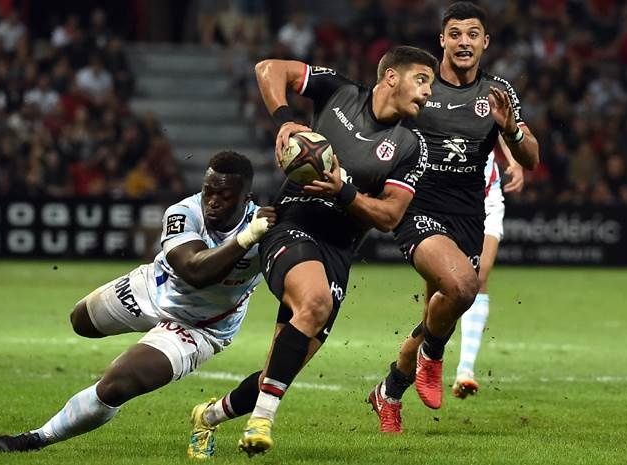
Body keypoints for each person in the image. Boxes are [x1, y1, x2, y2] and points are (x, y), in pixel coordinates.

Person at [186, 45, 439, 458]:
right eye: (422, 80)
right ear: (392, 77)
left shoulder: (411, 146)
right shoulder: (340, 93)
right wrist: (285, 120)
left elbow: (390, 216)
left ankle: (207, 416)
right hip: (292, 224)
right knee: (315, 302)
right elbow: (269, 68)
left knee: (279, 369)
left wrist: (344, 191)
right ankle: (261, 423)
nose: (428, 92)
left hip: (338, 250)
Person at [0, 151, 276, 452]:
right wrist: (246, 239)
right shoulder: (184, 212)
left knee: (117, 385)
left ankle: (36, 438)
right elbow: (195, 272)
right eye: (208, 191)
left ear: (246, 198)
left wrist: (257, 236)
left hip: (201, 325)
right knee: (80, 320)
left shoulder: (266, 229)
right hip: (153, 288)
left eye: (224, 195)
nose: (212, 201)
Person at [367, 1, 540, 433]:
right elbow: (377, 122)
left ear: (486, 42)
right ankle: (433, 356)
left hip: (468, 215)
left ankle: (389, 392)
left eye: (473, 34)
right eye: (456, 33)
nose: (464, 42)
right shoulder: (420, 84)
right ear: (442, 39)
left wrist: (511, 130)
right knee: (463, 286)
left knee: (443, 309)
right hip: (417, 205)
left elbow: (532, 156)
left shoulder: (496, 91)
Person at [452, 140, 523, 398]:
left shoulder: (486, 109)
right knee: (443, 285)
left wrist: (513, 161)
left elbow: (504, 127)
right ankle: (428, 355)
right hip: (448, 197)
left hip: (487, 196)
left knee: (479, 277)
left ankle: (465, 370)